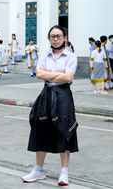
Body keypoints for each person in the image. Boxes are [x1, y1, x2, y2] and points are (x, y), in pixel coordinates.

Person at [22, 25, 78, 186]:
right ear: (49, 38)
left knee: (65, 130)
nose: (55, 39)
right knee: (40, 128)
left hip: (63, 96)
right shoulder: (44, 55)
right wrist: (58, 75)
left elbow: (68, 78)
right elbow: (39, 74)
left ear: (64, 38)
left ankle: (64, 172)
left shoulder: (71, 56)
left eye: (58, 36)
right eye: (52, 36)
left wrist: (50, 75)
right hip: (46, 95)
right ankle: (38, 169)